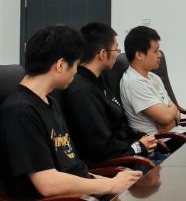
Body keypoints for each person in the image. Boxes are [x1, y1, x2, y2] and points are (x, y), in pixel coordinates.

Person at [0, 25, 141, 199]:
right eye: (75, 64)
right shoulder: (20, 111)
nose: (76, 71)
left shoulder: (50, 102)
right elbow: (48, 183)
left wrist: (116, 182)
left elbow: (73, 169)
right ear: (60, 65)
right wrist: (110, 185)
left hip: (80, 194)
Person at [62, 22, 167, 165]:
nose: (118, 54)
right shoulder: (80, 91)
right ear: (102, 54)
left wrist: (142, 137)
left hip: (131, 154)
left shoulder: (101, 78)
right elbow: (100, 148)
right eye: (116, 50)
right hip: (119, 165)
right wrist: (138, 146)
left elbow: (120, 127)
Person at [120, 26, 186, 136]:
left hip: (176, 133)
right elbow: (166, 117)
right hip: (161, 142)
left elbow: (174, 112)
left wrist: (173, 119)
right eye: (155, 51)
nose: (160, 55)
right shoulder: (134, 83)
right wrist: (171, 113)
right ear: (139, 55)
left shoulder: (153, 77)